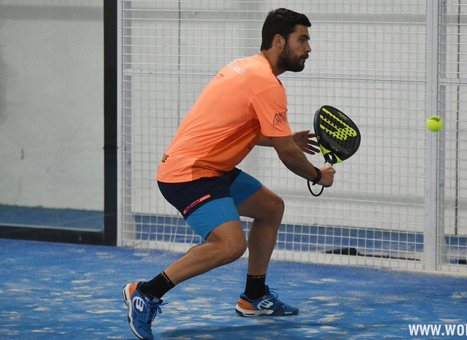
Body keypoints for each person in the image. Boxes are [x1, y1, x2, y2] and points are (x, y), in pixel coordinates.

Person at [122, 8, 335, 340]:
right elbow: (288, 156)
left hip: (210, 167)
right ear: (279, 41)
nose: (308, 48)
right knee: (230, 245)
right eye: (302, 39)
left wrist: (283, 138)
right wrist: (318, 176)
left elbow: (239, 127)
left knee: (271, 208)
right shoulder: (267, 85)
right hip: (188, 173)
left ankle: (254, 296)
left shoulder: (245, 67)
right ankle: (146, 292)